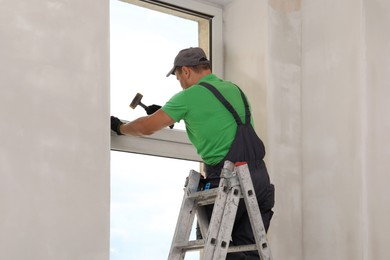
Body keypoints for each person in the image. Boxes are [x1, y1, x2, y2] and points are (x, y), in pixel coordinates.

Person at [111, 47, 275, 260]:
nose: (179, 82)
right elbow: (216, 120)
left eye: (178, 76)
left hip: (229, 180)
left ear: (186, 71)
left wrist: (119, 128)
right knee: (248, 251)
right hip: (260, 181)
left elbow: (146, 127)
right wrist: (170, 112)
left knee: (213, 243)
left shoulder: (189, 97)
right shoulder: (234, 90)